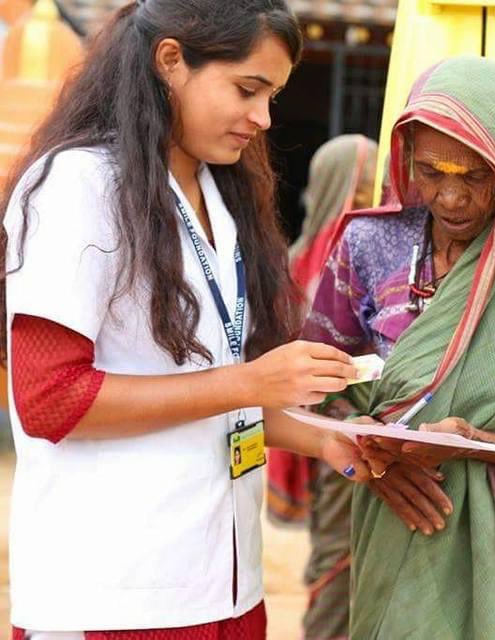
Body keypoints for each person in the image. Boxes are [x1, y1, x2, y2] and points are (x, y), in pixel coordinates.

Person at [1, 1, 371, 638]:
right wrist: (252, 383)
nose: (263, 117)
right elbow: (49, 400)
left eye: (272, 95)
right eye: (248, 89)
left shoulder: (220, 194)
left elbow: (215, 392)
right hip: (115, 598)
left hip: (227, 592)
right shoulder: (79, 185)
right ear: (170, 61)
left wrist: (325, 440)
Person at [301, 56, 495, 639]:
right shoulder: (368, 246)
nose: (449, 198)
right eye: (430, 172)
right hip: (386, 529)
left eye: (474, 177)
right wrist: (372, 462)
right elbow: (316, 390)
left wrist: (479, 445)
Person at [265, 134, 378, 640]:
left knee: (340, 550)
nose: (376, 193)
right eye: (365, 183)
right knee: (342, 554)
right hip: (340, 427)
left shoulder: (299, 256)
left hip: (316, 425)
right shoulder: (342, 252)